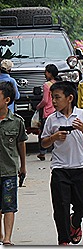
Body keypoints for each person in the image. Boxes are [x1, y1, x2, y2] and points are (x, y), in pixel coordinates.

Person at [40, 81, 83, 245]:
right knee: (61, 207)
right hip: (60, 168)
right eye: (52, 98)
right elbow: (43, 143)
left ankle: (75, 221)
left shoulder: (82, 115)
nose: (54, 101)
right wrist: (54, 137)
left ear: (70, 98)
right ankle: (63, 240)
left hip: (80, 167)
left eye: (57, 97)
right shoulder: (51, 119)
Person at [0, 82, 27, 245]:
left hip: (9, 170)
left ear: (7, 100)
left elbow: (21, 143)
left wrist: (23, 166)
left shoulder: (17, 122)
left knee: (9, 205)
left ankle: (8, 238)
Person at [35, 64, 59, 161]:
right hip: (57, 110)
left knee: (44, 133)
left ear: (49, 73)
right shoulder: (58, 84)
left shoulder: (46, 85)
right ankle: (55, 153)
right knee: (55, 133)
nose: (45, 74)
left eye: (46, 72)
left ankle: (42, 153)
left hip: (48, 111)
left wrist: (38, 106)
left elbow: (45, 100)